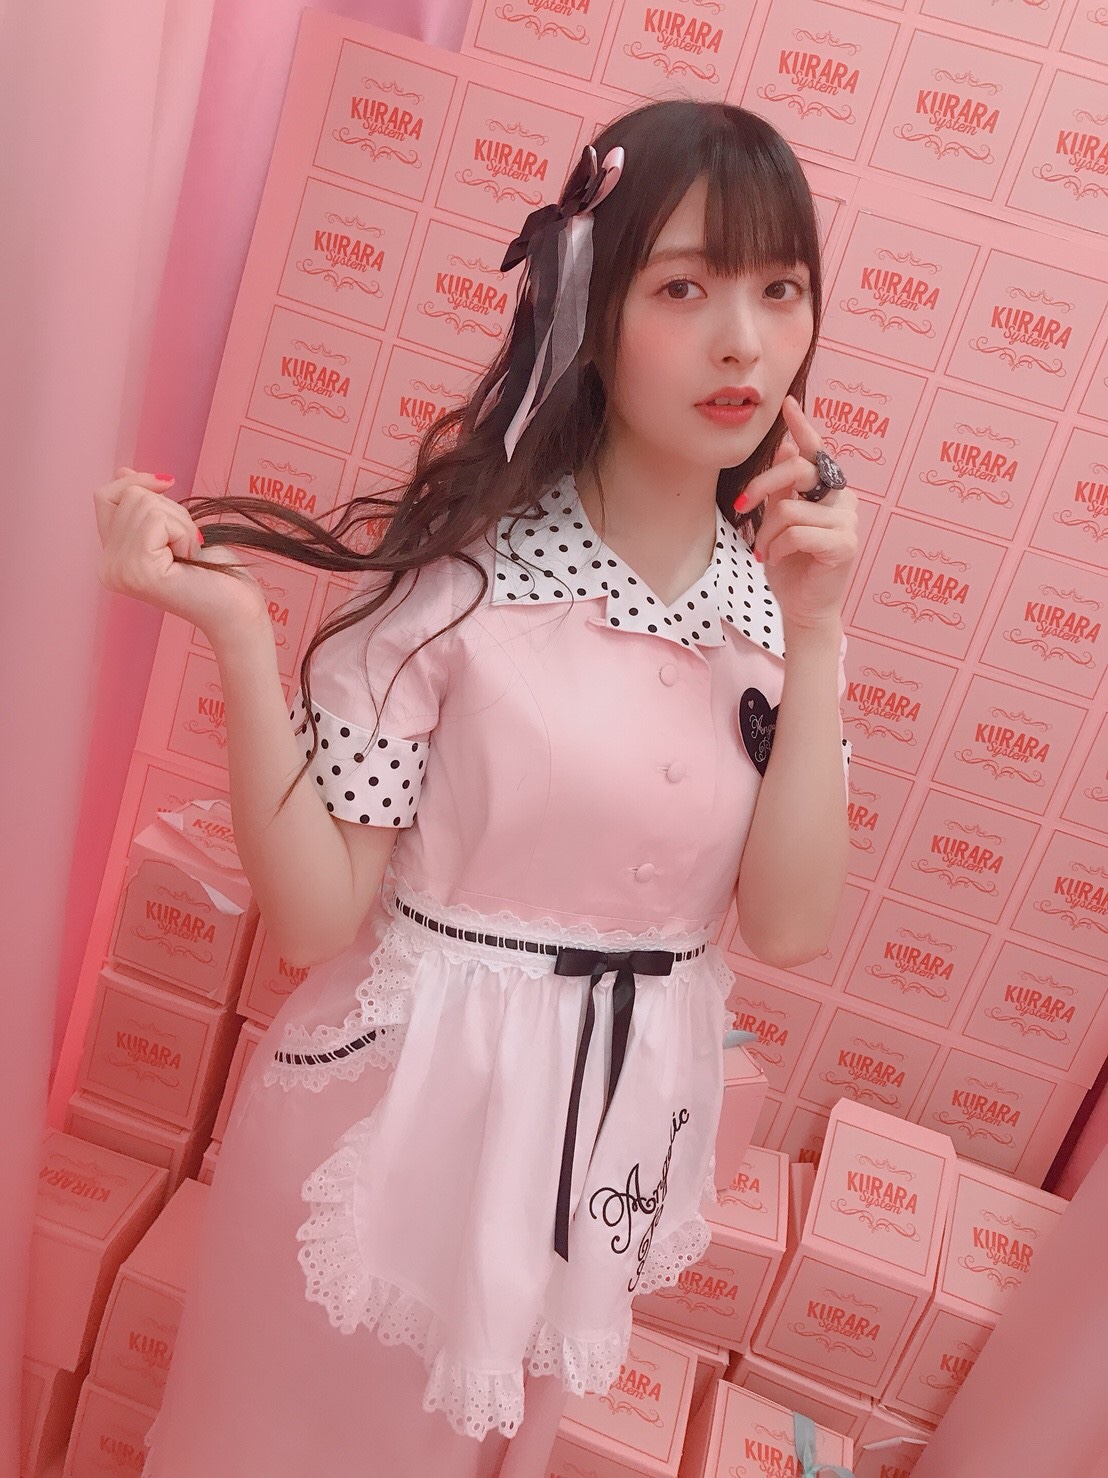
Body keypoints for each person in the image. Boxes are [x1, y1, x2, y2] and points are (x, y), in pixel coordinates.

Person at [93, 98, 858, 1477]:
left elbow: (791, 925)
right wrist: (240, 637)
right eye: (684, 288)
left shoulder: (775, 617)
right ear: (588, 305)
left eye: (779, 288)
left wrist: (820, 633)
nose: (743, 340)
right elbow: (317, 919)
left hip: (602, 1146)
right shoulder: (465, 584)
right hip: (388, 1134)